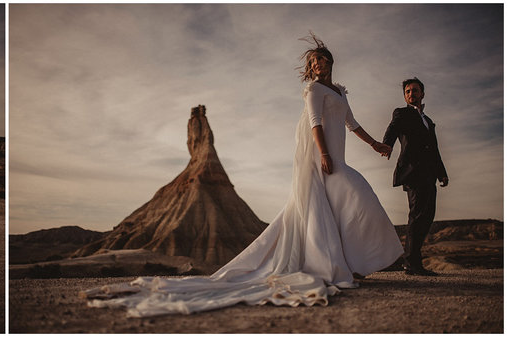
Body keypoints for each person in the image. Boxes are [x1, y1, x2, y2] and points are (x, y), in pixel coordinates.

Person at [82, 33, 404, 317]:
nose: (317, 63)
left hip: (338, 160)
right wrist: (323, 154)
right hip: (322, 161)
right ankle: (341, 265)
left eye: (321, 58)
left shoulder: (340, 92)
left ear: (330, 61)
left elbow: (351, 123)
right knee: (354, 199)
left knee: (349, 206)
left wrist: (376, 143)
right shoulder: (313, 91)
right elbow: (315, 124)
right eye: (312, 60)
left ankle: (352, 264)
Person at [381, 77, 449, 276]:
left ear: (422, 94)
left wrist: (442, 173)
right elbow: (392, 128)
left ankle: (413, 261)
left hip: (429, 173)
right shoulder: (402, 113)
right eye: (408, 91)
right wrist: (387, 145)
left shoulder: (428, 121)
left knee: (427, 216)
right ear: (405, 96)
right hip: (412, 171)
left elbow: (435, 149)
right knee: (417, 216)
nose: (411, 94)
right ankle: (411, 263)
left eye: (415, 90)